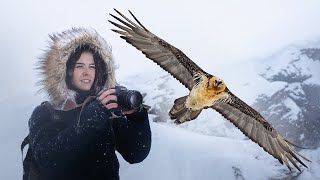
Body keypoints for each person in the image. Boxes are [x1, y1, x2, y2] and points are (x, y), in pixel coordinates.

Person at [27, 27, 151, 180]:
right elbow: (48, 159)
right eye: (80, 66)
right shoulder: (46, 112)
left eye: (92, 66)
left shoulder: (105, 110)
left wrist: (138, 119)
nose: (87, 72)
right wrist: (94, 114)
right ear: (65, 71)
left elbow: (136, 154)